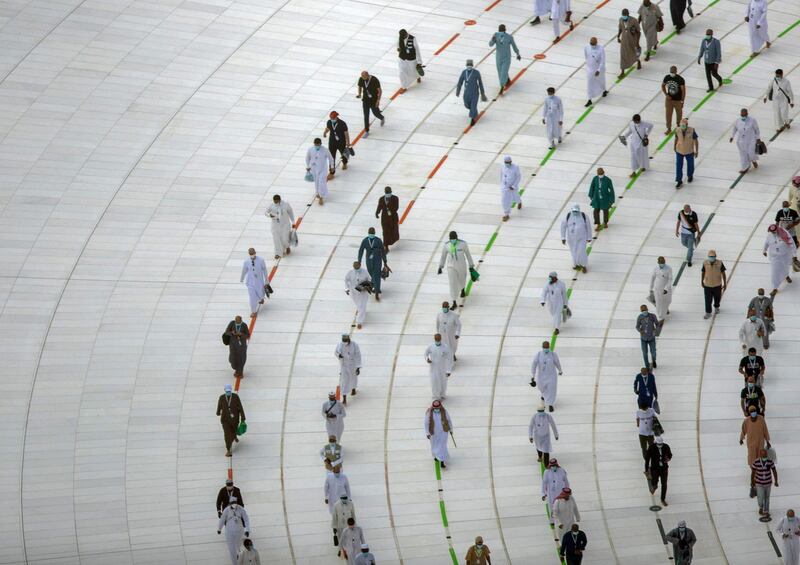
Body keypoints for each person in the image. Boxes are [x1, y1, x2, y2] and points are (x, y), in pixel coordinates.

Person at [438, 231, 475, 310]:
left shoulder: (463, 244)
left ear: (457, 237)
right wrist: (441, 266)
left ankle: (462, 289)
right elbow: (443, 256)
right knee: (452, 284)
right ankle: (454, 302)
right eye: (451, 239)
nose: (452, 240)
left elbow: (468, 255)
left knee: (462, 279)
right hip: (451, 266)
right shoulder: (446, 245)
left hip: (461, 265)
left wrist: (471, 266)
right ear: (449, 238)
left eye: (454, 238)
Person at [764, 224, 796, 295]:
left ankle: (786, 276)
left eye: (774, 232)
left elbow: (791, 243)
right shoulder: (769, 236)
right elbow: (766, 243)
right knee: (774, 272)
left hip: (785, 256)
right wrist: (764, 250)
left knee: (785, 267)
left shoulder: (784, 234)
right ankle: (775, 288)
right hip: (775, 257)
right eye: (771, 232)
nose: (773, 233)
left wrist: (794, 255)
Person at [531, 341, 563, 412]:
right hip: (541, 376)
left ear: (549, 347)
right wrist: (532, 375)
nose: (546, 349)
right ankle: (543, 396)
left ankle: (550, 404)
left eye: (547, 347)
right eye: (545, 347)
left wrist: (560, 370)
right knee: (541, 387)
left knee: (551, 390)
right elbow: (534, 364)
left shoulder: (553, 354)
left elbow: (557, 362)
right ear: (542, 347)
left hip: (551, 376)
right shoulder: (539, 354)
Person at [560, 202, 592, 273]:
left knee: (581, 252)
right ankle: (576, 264)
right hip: (571, 238)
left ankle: (584, 265)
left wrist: (589, 237)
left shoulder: (584, 216)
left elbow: (588, 227)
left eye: (576, 211)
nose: (575, 212)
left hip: (582, 238)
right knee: (573, 251)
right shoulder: (567, 216)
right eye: (574, 211)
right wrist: (563, 238)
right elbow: (563, 227)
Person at [217, 497, 250, 565]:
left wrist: (247, 529)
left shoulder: (240, 508)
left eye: (235, 503)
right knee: (231, 548)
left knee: (238, 546)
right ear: (230, 503)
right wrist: (219, 529)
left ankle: (239, 559)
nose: (234, 504)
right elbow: (222, 519)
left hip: (239, 530)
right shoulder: (226, 510)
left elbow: (246, 518)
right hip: (229, 531)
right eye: (233, 503)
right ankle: (234, 563)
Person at [489, 25, 521, 95]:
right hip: (498, 57)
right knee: (500, 72)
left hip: (506, 58)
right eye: (500, 29)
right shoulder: (496, 35)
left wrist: (517, 54)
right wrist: (493, 39)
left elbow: (514, 46)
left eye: (502, 29)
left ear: (505, 29)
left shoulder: (509, 37)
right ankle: (507, 80)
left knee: (503, 72)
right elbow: (490, 44)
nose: (500, 31)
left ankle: (502, 87)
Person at [358, 227, 388, 300]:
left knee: (376, 275)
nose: (371, 235)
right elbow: (361, 250)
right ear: (368, 234)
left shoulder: (378, 241)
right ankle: (375, 286)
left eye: (372, 234)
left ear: (374, 234)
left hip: (377, 260)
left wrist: (385, 262)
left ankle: (377, 292)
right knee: (372, 274)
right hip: (369, 260)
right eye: (370, 234)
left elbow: (383, 251)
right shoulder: (365, 241)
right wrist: (359, 260)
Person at [455, 59, 487, 126]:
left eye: (470, 65)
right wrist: (458, 91)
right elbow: (460, 82)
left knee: (473, 106)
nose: (469, 66)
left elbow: (480, 83)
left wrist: (482, 93)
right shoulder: (464, 72)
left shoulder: (476, 73)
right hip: (466, 93)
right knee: (467, 105)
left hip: (475, 93)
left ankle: (472, 119)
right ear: (466, 65)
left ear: (472, 65)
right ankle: (474, 111)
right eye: (468, 65)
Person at [730, 108, 761, 174]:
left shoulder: (752, 120)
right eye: (742, 114)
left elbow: (756, 129)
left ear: (747, 114)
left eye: (744, 114)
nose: (743, 116)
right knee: (743, 154)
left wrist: (758, 138)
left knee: (751, 153)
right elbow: (734, 129)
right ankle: (745, 167)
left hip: (751, 140)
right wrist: (732, 137)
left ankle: (753, 160)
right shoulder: (737, 121)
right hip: (741, 141)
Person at [217, 384, 245, 457]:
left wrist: (243, 418)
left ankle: (234, 436)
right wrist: (218, 412)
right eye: (227, 391)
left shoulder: (235, 397)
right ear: (225, 391)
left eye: (229, 391)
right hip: (225, 420)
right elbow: (219, 406)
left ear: (231, 390)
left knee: (233, 431)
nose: (228, 393)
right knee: (227, 435)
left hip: (234, 419)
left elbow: (240, 407)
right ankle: (228, 449)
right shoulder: (222, 397)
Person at [765, 69, 795, 133]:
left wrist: (792, 101)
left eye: (778, 76)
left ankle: (786, 122)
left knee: (784, 114)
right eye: (776, 75)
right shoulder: (773, 81)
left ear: (782, 74)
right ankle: (778, 127)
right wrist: (765, 97)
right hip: (775, 100)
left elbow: (790, 92)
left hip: (784, 100)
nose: (777, 77)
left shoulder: (786, 82)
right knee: (777, 114)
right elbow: (768, 88)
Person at [425, 400, 453, 469]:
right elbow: (426, 423)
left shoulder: (444, 411)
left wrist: (451, 429)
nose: (437, 409)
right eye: (435, 408)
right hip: (433, 433)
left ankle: (442, 460)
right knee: (434, 445)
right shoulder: (429, 413)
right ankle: (435, 456)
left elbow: (449, 420)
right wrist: (427, 433)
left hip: (443, 432)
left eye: (438, 407)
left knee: (442, 446)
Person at [356, 71, 385, 138]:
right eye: (362, 76)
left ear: (367, 75)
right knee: (366, 116)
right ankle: (366, 131)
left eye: (364, 77)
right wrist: (359, 94)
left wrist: (378, 100)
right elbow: (359, 86)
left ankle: (382, 117)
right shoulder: (361, 79)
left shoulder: (374, 80)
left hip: (373, 100)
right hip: (365, 100)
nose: (363, 78)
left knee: (375, 113)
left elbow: (380, 90)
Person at [751, 447, 778, 518]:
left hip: (768, 483)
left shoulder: (770, 462)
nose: (764, 456)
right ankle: (761, 507)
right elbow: (753, 473)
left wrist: (776, 481)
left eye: (765, 454)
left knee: (767, 497)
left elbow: (774, 471)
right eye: (763, 455)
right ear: (760, 455)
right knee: (760, 497)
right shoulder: (756, 462)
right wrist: (752, 482)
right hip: (759, 483)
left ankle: (766, 511)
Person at [265, 194, 295, 259]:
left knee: (284, 239)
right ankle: (278, 253)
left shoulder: (285, 204)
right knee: (276, 239)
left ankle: (287, 246)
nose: (275, 202)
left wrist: (293, 221)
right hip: (275, 225)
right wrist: (270, 215)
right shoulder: (272, 205)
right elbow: (266, 212)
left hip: (285, 225)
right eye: (274, 201)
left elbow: (290, 212)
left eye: (276, 201)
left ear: (279, 200)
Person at [306, 138, 334, 205]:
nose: (317, 145)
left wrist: (332, 166)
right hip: (314, 169)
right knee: (316, 182)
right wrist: (308, 166)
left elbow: (331, 158)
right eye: (316, 144)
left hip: (322, 169)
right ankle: (318, 193)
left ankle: (321, 197)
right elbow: (307, 158)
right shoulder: (310, 149)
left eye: (318, 144)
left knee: (322, 182)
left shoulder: (325, 150)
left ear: (320, 144)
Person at [425, 333, 454, 400]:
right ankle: (436, 396)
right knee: (434, 381)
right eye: (436, 339)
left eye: (438, 339)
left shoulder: (445, 347)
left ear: (440, 339)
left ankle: (442, 394)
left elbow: (450, 358)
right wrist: (427, 359)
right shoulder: (430, 346)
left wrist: (449, 370)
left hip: (443, 368)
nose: (437, 340)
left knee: (443, 381)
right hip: (433, 368)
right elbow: (425, 354)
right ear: (434, 339)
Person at [240, 248, 267, 317]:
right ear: (249, 254)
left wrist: (266, 280)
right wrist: (242, 278)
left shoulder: (261, 260)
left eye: (253, 253)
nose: (253, 255)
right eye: (251, 254)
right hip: (250, 282)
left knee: (260, 292)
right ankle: (253, 311)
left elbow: (264, 270)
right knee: (252, 297)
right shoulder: (246, 261)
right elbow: (244, 270)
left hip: (259, 281)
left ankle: (261, 298)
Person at [645, 436, 672, 505]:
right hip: (654, 468)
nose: (660, 445)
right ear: (655, 442)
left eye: (661, 444)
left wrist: (668, 458)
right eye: (658, 444)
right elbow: (647, 458)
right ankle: (654, 485)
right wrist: (646, 469)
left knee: (664, 484)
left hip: (664, 469)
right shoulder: (651, 447)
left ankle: (663, 499)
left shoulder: (666, 446)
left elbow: (670, 455)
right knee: (654, 481)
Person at [335, 334, 362, 404]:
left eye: (345, 340)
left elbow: (358, 355)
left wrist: (358, 367)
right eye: (343, 340)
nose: (344, 342)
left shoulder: (354, 345)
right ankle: (344, 397)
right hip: (344, 365)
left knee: (353, 378)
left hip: (352, 365)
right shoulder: (340, 344)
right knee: (344, 381)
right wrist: (339, 355)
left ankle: (353, 388)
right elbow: (336, 352)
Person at [345, 261, 371, 329]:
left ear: (360, 265)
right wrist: (346, 289)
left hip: (363, 292)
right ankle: (360, 310)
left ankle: (359, 322)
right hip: (354, 292)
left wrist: (366, 286)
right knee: (358, 304)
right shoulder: (350, 273)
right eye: (355, 267)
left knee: (362, 305)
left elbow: (369, 279)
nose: (356, 268)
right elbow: (346, 280)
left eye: (357, 266)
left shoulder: (365, 272)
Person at [674, 118, 698, 188]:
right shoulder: (677, 130)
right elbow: (676, 138)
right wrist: (674, 147)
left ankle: (690, 175)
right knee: (678, 166)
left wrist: (696, 151)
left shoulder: (691, 130)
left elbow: (696, 140)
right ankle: (679, 181)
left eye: (684, 125)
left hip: (689, 151)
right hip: (679, 150)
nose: (682, 127)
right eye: (681, 125)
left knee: (690, 165)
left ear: (687, 125)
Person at [701, 250, 726, 319]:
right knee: (707, 299)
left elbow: (723, 273)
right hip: (707, 285)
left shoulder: (720, 263)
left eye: (712, 256)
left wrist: (725, 283)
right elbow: (703, 272)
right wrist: (702, 281)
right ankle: (708, 312)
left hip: (717, 285)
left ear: (715, 256)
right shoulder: (705, 263)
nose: (711, 257)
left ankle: (717, 306)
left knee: (717, 298)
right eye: (710, 256)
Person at [617, 9, 642, 79]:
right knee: (623, 55)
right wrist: (618, 36)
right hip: (624, 41)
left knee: (633, 53)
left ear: (628, 14)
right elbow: (620, 29)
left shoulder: (634, 20)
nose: (624, 16)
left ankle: (638, 61)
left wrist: (637, 42)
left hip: (632, 40)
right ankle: (622, 72)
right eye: (623, 15)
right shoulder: (621, 20)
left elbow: (638, 32)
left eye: (625, 15)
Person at [583, 37, 608, 107]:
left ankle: (604, 90)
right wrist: (589, 66)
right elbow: (586, 56)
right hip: (590, 69)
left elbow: (603, 61)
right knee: (589, 84)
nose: (592, 45)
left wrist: (599, 70)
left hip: (599, 69)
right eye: (591, 43)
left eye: (593, 43)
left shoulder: (601, 48)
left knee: (601, 81)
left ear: (596, 43)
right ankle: (589, 99)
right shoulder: (586, 47)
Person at [662, 66, 686, 133]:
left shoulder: (680, 79)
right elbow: (662, 85)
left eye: (673, 72)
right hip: (669, 100)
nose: (672, 73)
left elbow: (683, 91)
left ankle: (679, 126)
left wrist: (682, 101)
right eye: (671, 72)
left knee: (679, 114)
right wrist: (666, 95)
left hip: (678, 100)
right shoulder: (667, 77)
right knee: (668, 114)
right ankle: (669, 128)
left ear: (676, 71)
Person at [375, 186, 399, 251]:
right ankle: (385, 245)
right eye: (387, 192)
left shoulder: (395, 198)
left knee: (393, 230)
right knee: (385, 231)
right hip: (385, 217)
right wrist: (377, 212)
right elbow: (379, 206)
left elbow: (396, 207)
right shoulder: (382, 199)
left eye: (389, 192)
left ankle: (393, 239)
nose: (388, 194)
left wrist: (390, 210)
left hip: (393, 217)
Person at [650, 257, 673, 324]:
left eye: (663, 263)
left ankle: (666, 309)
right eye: (661, 263)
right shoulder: (656, 268)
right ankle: (660, 317)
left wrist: (666, 288)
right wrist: (651, 288)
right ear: (658, 263)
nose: (662, 264)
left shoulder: (668, 269)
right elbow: (653, 277)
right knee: (658, 302)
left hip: (666, 289)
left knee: (668, 300)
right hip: (657, 289)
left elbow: (670, 279)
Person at [500, 155, 523, 222]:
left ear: (511, 161)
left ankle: (519, 202)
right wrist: (502, 185)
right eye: (506, 162)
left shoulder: (515, 167)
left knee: (515, 196)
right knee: (504, 200)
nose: (507, 163)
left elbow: (518, 177)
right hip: (505, 187)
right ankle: (506, 214)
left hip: (513, 187)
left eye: (508, 162)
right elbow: (501, 175)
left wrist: (514, 186)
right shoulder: (502, 166)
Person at [636, 305, 659, 369]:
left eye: (645, 310)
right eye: (643, 311)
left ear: (647, 309)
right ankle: (647, 365)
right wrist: (640, 331)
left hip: (651, 337)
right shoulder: (640, 317)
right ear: (641, 311)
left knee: (653, 352)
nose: (644, 312)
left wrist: (655, 331)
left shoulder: (652, 316)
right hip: (643, 338)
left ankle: (654, 360)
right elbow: (637, 326)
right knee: (644, 353)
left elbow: (657, 324)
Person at [636, 401, 656, 471]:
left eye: (645, 409)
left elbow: (655, 418)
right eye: (643, 409)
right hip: (642, 433)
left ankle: (653, 458)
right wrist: (638, 425)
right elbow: (637, 419)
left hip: (650, 433)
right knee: (643, 447)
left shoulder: (651, 410)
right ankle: (646, 459)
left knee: (652, 446)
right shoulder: (638, 411)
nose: (644, 410)